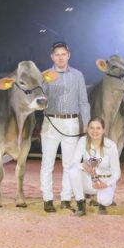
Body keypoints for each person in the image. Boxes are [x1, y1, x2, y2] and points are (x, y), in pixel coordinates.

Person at [40, 41, 91, 213]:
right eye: (57, 54)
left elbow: (83, 101)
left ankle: (65, 198)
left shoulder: (78, 75)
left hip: (71, 122)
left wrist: (88, 125)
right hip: (51, 122)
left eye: (63, 54)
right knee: (48, 163)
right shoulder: (45, 75)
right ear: (52, 56)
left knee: (70, 163)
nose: (60, 57)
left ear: (68, 55)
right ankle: (47, 199)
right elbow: (39, 99)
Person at [69, 117, 121, 216]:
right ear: (87, 129)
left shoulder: (111, 145)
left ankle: (102, 204)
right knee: (73, 171)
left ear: (103, 130)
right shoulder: (82, 141)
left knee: (105, 201)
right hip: (89, 181)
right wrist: (83, 165)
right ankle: (81, 205)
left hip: (104, 181)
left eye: (98, 128)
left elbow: (116, 172)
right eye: (92, 128)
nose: (94, 131)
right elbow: (73, 163)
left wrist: (106, 184)